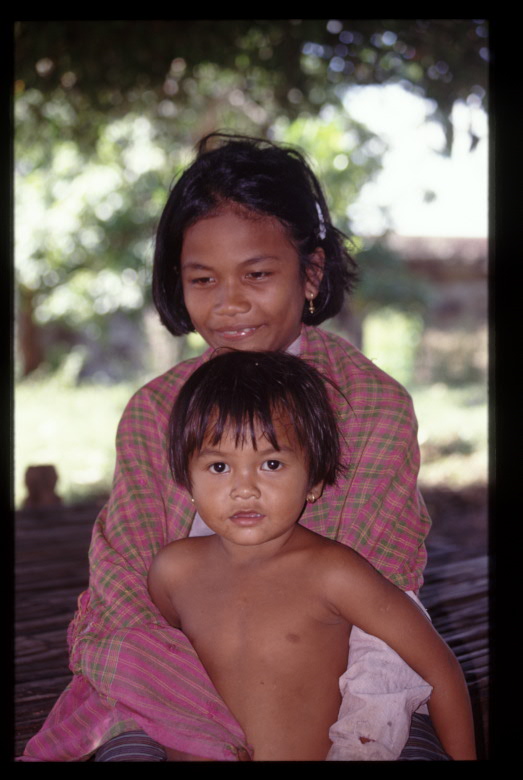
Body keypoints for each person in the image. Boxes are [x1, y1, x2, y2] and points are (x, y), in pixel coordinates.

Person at [22, 133, 445, 762]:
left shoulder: (372, 408)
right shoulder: (154, 412)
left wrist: (352, 743)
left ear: (312, 273)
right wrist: (202, 730)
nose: (230, 303)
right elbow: (124, 593)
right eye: (203, 279)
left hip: (340, 699)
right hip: (164, 700)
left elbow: (383, 612)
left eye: (257, 274)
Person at [148, 349, 476, 761]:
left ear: (315, 481)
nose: (244, 488)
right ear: (186, 479)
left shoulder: (334, 574)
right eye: (218, 467)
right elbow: (158, 672)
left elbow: (439, 669)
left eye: (270, 463)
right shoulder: (172, 572)